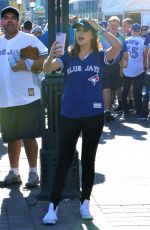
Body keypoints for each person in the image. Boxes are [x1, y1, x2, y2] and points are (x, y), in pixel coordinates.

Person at [42, 18, 121, 224]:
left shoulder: (101, 56)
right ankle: (53, 207)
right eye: (77, 29)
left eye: (85, 29)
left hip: (93, 116)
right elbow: (47, 69)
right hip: (69, 114)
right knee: (64, 160)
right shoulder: (68, 55)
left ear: (92, 34)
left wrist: (100, 27)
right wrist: (51, 55)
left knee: (88, 160)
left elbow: (118, 46)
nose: (80, 32)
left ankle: (85, 203)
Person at [0, 6, 48, 187]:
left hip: (28, 97)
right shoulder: (0, 43)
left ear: (18, 22)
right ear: (1, 22)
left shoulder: (29, 39)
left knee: (29, 136)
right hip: (5, 100)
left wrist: (26, 64)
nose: (10, 20)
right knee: (11, 137)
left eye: (13, 17)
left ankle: (33, 173)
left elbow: (46, 59)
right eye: (6, 18)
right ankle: (14, 173)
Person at [99, 16, 128, 121]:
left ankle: (108, 109)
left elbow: (124, 50)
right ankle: (106, 111)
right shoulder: (101, 35)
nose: (114, 27)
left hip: (115, 66)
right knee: (106, 89)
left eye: (116, 25)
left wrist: (125, 60)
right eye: (112, 25)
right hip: (103, 65)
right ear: (108, 26)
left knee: (113, 89)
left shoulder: (121, 37)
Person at [122, 23, 145, 116]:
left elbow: (122, 54)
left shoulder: (126, 40)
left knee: (125, 90)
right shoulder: (143, 41)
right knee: (137, 91)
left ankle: (125, 110)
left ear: (131, 30)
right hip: (138, 69)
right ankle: (138, 110)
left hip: (127, 68)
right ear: (139, 31)